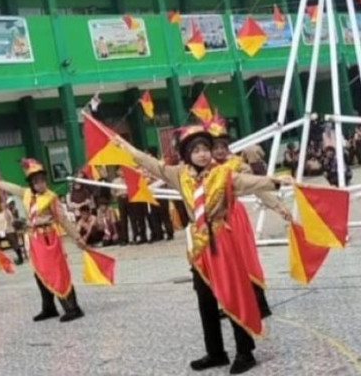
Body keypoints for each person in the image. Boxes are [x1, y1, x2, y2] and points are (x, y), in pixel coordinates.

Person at [114, 125, 293, 374]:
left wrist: (274, 182)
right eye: (196, 150)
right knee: (205, 300)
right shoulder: (179, 174)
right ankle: (216, 352)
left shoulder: (223, 174)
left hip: (223, 242)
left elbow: (247, 182)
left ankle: (245, 351)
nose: (202, 154)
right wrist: (124, 145)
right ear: (187, 154)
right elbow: (151, 164)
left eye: (205, 149)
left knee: (232, 293)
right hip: (198, 246)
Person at [209, 117, 291, 320]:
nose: (219, 150)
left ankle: (260, 304)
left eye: (223, 146)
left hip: (234, 217)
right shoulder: (203, 169)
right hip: (214, 222)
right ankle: (230, 304)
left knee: (245, 258)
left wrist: (278, 206)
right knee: (223, 263)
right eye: (215, 146)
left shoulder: (238, 166)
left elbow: (258, 186)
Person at [0, 158, 85, 322]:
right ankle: (49, 308)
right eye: (36, 181)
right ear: (31, 183)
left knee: (57, 272)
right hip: (35, 240)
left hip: (49, 239)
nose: (40, 184)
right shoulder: (27, 194)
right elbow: (13, 188)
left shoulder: (51, 197)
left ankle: (73, 308)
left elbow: (63, 220)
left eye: (42, 180)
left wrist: (77, 237)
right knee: (39, 273)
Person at [0, 200, 24, 265]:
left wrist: (5, 210)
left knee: (13, 239)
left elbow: (11, 221)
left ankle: (20, 258)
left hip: (7, 231)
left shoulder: (6, 211)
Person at [112, 168, 132, 245]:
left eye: (123, 170)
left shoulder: (129, 178)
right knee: (123, 219)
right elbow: (113, 192)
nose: (122, 172)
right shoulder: (115, 181)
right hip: (120, 199)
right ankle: (124, 239)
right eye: (120, 170)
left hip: (129, 198)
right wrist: (117, 196)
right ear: (117, 172)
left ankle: (135, 236)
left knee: (133, 218)